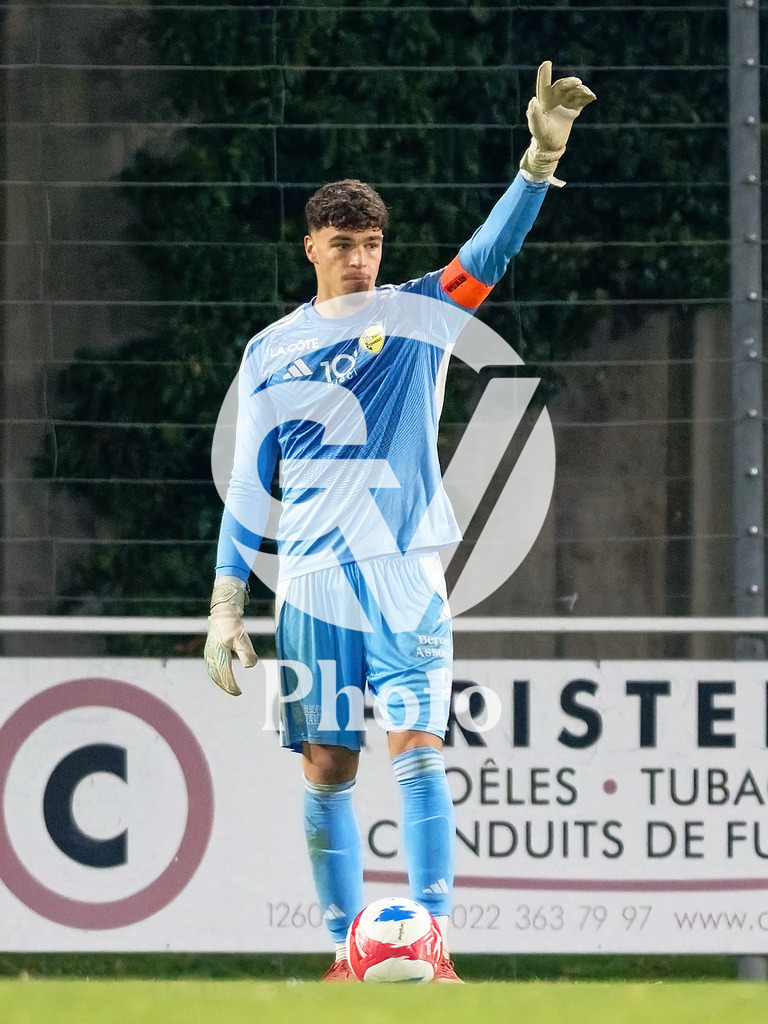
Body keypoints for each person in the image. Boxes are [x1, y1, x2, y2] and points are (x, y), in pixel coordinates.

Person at [204, 62, 595, 982]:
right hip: (310, 582)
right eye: (342, 243)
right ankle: (344, 951)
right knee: (326, 768)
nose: (360, 258)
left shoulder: (419, 313)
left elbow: (487, 256)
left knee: (418, 750)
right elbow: (251, 484)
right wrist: (226, 602)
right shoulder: (269, 352)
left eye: (371, 243)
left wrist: (537, 164)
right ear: (311, 247)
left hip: (404, 572)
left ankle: (436, 941)